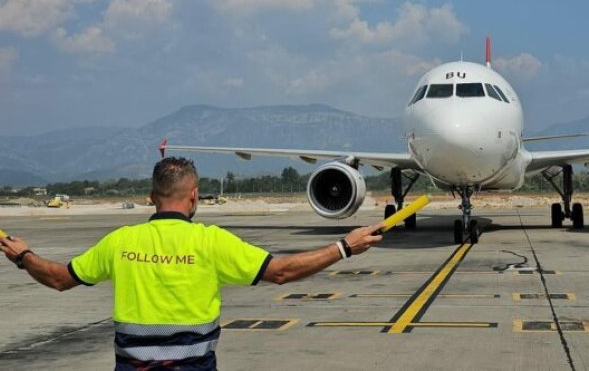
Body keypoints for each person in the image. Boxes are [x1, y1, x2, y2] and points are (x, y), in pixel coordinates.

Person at [0, 157, 384, 370]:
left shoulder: (120, 242)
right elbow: (281, 272)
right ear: (195, 196)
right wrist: (344, 246)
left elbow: (59, 279)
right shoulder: (210, 241)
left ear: (151, 197)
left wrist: (23, 256)